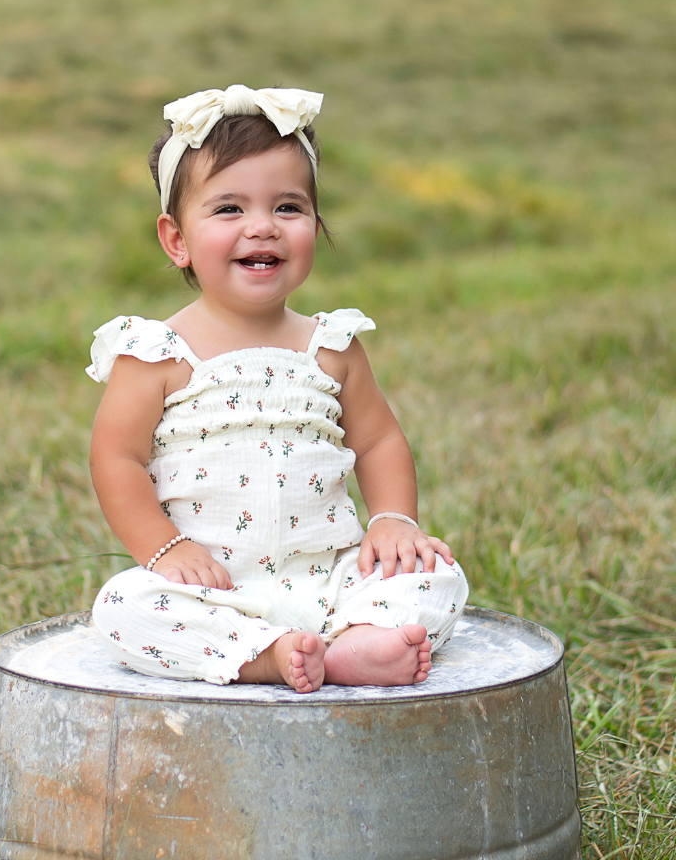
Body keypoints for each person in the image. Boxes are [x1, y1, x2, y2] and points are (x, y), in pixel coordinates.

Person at [87, 85, 468, 693]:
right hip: (213, 586)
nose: (262, 227)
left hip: (332, 572)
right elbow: (117, 458)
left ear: (315, 225)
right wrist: (165, 550)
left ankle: (356, 639)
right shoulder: (156, 353)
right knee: (121, 608)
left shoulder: (332, 345)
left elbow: (378, 444)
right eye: (229, 209)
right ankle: (263, 655)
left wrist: (393, 521)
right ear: (176, 239)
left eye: (288, 208)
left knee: (439, 573)